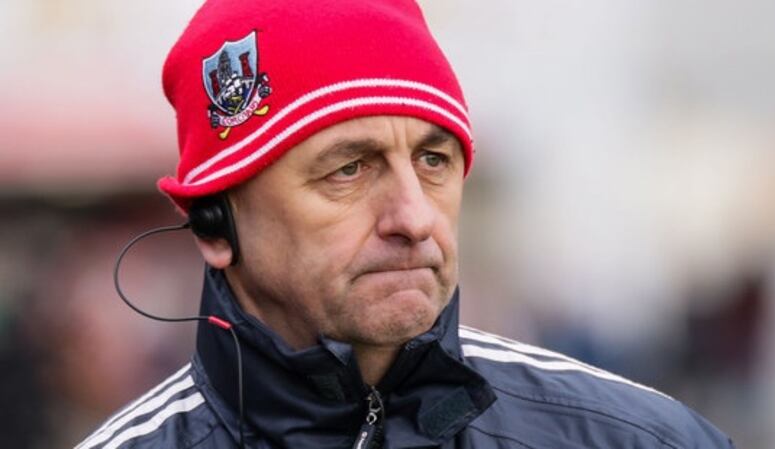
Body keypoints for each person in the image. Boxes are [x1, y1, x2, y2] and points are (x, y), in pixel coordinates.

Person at [76, 0, 735, 448]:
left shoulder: (636, 436)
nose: (415, 217)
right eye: (348, 169)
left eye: (434, 159)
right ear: (216, 226)